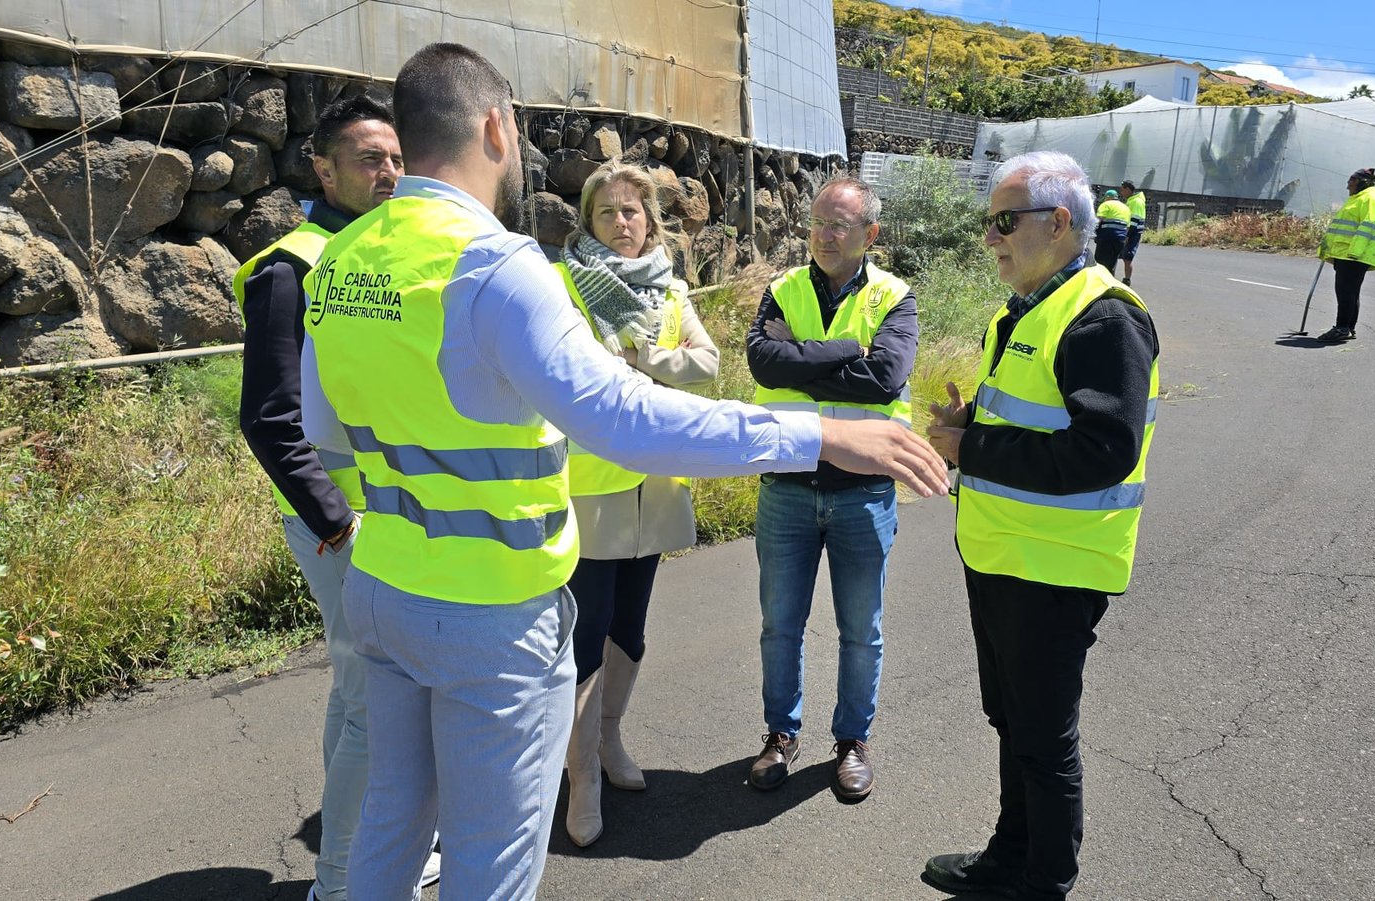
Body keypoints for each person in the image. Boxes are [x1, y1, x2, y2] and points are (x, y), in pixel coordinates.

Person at [300, 42, 948, 901]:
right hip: (490, 608)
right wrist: (818, 432)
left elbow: (322, 434)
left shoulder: (340, 260)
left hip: (381, 585)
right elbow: (629, 420)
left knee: (392, 819)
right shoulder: (494, 265)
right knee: (491, 859)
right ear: (495, 126)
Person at [920, 150, 1159, 900]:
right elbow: (1036, 420)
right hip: (1001, 554)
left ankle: (1044, 879)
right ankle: (1008, 855)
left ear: (1059, 223)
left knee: (1043, 738)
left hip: (1055, 566)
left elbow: (1102, 450)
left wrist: (972, 445)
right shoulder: (1020, 310)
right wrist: (970, 422)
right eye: (988, 221)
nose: (989, 237)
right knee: (1013, 719)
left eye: (1002, 221)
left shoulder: (1104, 316)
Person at [232, 96, 440, 901]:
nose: (388, 173)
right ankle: (345, 878)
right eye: (367, 160)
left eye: (395, 158)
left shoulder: (378, 253)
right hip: (340, 522)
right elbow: (270, 418)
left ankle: (367, 853)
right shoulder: (295, 266)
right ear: (322, 169)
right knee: (371, 700)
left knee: (355, 688)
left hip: (384, 514)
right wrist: (336, 523)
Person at [552, 161, 721, 846]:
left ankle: (609, 740)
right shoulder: (564, 286)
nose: (623, 223)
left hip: (657, 483)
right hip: (592, 487)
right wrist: (639, 364)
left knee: (632, 627)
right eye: (607, 213)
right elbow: (574, 375)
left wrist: (648, 357)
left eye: (633, 212)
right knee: (584, 635)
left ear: (652, 221)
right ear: (587, 222)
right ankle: (580, 772)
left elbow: (705, 364)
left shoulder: (671, 292)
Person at [744, 177, 919, 801]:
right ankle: (780, 735)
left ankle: (851, 741)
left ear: (870, 234)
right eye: (817, 222)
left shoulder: (895, 298)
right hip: (787, 487)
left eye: (839, 225)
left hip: (863, 493)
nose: (823, 234)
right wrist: (848, 349)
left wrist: (807, 360)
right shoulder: (783, 287)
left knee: (859, 629)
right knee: (779, 625)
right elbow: (765, 363)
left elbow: (884, 379)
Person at [1316, 167, 1375, 344]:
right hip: (1346, 253)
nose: (1348, 183)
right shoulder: (1359, 198)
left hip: (1353, 254)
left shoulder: (1371, 198)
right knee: (1350, 291)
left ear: (1363, 182)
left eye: (1352, 179)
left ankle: (1342, 328)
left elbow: (1370, 225)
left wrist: (1355, 252)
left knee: (1345, 291)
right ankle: (1348, 327)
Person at [1092, 189, 1131, 275]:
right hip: (1120, 239)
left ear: (1108, 197)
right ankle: (1110, 281)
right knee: (1112, 262)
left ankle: (1099, 282)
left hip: (1106, 237)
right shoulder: (1126, 208)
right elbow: (1127, 226)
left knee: (1100, 262)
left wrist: (1092, 232)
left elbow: (1098, 220)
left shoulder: (1106, 204)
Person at [1119, 181, 1146, 286]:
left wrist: (1127, 235)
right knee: (1125, 256)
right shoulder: (1132, 200)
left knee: (1128, 257)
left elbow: (1134, 220)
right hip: (1131, 231)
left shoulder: (1136, 202)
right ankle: (1126, 279)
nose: (1121, 192)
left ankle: (1127, 279)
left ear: (1128, 189)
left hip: (1133, 233)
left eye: (1122, 189)